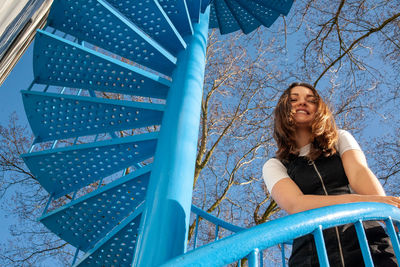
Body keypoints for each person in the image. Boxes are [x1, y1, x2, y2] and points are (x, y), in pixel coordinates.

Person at [262, 82, 400, 267]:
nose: (302, 103)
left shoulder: (340, 138)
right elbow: (296, 203)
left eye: (310, 100)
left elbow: (359, 174)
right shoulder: (275, 165)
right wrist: (357, 201)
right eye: (294, 99)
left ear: (319, 109)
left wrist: (386, 209)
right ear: (283, 110)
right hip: (311, 254)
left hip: (367, 241)